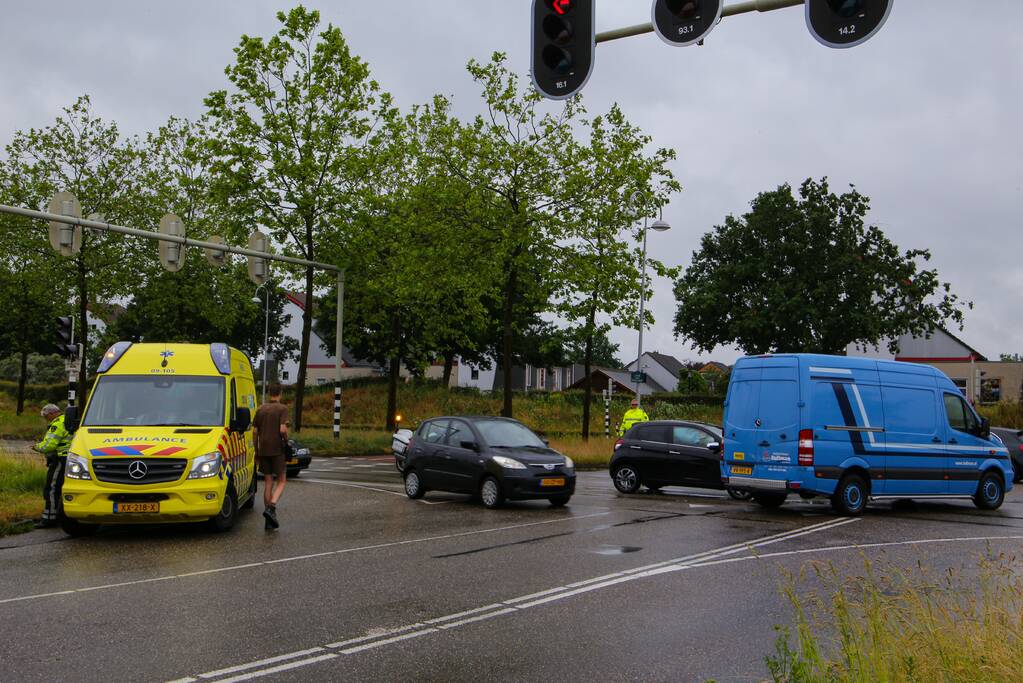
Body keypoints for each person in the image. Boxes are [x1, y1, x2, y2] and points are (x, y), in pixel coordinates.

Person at [252, 384, 289, 530]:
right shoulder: (282, 409)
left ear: (269, 393)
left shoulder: (260, 409)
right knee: (282, 481)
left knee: (268, 482)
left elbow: (254, 432)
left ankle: (268, 521)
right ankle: (271, 508)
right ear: (280, 393)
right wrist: (286, 440)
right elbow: (282, 429)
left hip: (263, 449)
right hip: (277, 449)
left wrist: (256, 450)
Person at [33, 404, 72, 528]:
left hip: (59, 459)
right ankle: (61, 515)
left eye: (46, 416)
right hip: (70, 458)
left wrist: (36, 447)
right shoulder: (69, 420)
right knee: (63, 487)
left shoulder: (57, 424)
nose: (46, 419)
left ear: (52, 413)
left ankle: (49, 518)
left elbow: (49, 445)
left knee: (51, 488)